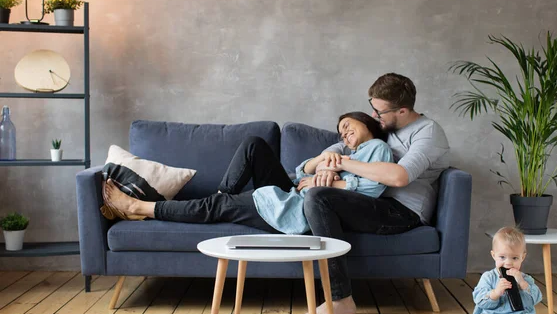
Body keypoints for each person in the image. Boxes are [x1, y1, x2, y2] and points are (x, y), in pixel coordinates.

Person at [298, 73, 451, 314]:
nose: (374, 116)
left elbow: (400, 176)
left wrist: (346, 163)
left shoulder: (428, 132)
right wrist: (327, 164)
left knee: (318, 198)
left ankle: (340, 299)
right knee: (309, 197)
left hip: (401, 211)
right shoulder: (385, 126)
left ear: (402, 110)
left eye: (379, 111)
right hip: (370, 199)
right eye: (373, 108)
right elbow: (342, 145)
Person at [103, 112, 394, 237]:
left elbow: (370, 189)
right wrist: (321, 162)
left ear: (366, 120)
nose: (343, 132)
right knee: (254, 144)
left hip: (301, 205)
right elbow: (298, 170)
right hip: (293, 190)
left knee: (216, 208)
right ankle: (217, 200)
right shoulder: (345, 151)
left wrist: (335, 176)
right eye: (340, 129)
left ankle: (136, 206)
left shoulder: (377, 148)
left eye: (347, 124)